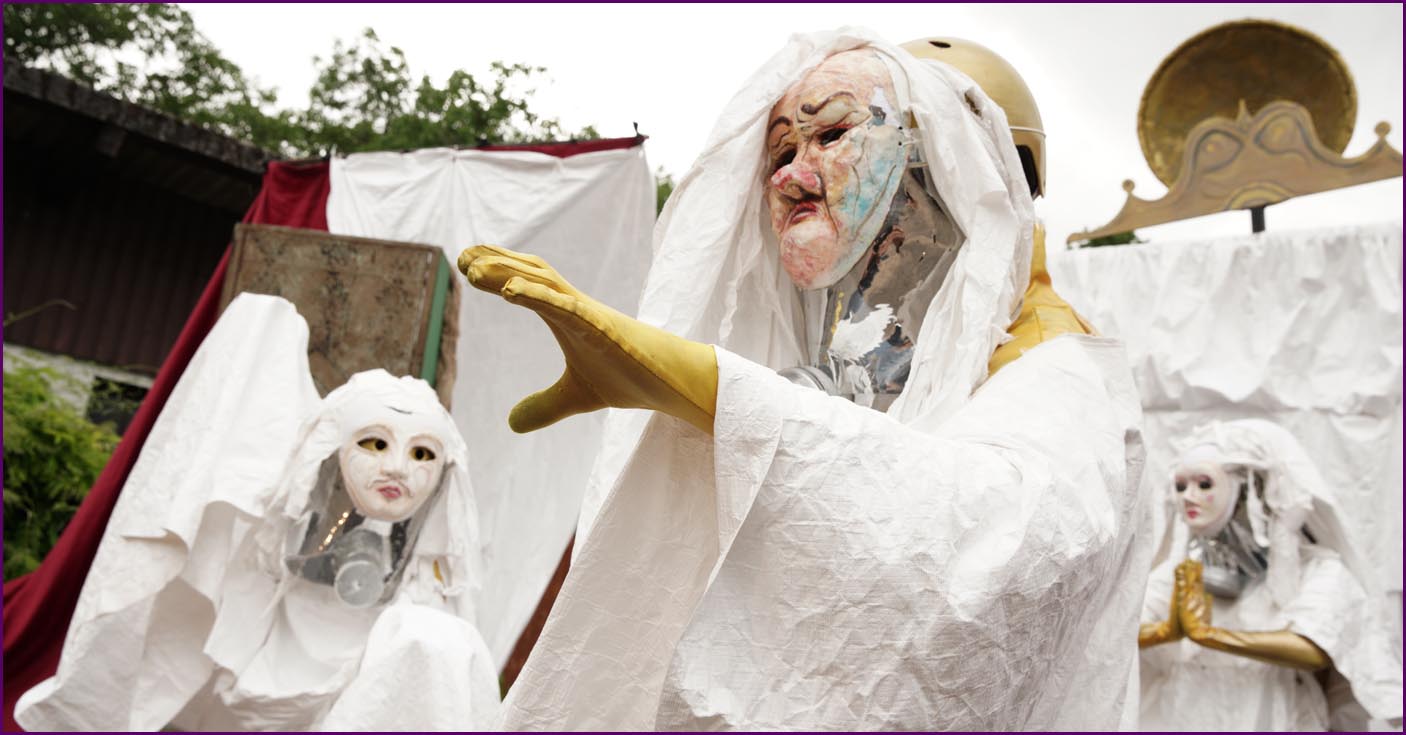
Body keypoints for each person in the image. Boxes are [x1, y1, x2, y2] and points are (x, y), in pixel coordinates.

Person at [460, 28, 1149, 729]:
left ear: (954, 154)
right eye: (782, 152)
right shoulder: (885, 356)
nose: (789, 177)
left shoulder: (1058, 364)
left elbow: (994, 553)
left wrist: (714, 390)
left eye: (833, 134)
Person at [13, 294, 501, 731]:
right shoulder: (271, 513)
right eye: (375, 444)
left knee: (433, 640)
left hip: (363, 650)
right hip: (270, 649)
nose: (397, 468)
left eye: (422, 454)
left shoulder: (429, 614)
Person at [1138, 418, 1402, 731]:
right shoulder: (1181, 574)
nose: (1188, 496)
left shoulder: (1317, 570)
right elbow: (1121, 628)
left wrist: (1210, 636)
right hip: (1187, 716)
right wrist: (1165, 631)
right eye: (1181, 486)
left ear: (1250, 488)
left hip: (1277, 716)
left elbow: (1315, 648)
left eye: (1204, 484)